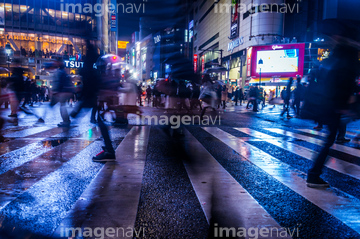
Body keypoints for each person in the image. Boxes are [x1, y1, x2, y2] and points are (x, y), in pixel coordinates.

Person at [306, 42, 360, 188]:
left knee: (330, 138)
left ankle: (315, 173)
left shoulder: (331, 63)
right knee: (329, 139)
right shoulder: (345, 65)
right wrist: (345, 104)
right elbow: (343, 85)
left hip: (328, 105)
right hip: (333, 106)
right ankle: (313, 174)